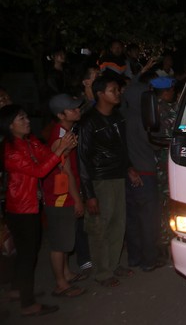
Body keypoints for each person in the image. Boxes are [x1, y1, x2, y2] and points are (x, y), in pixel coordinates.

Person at [0, 104, 76, 316]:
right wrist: (60, 149)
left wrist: (62, 146)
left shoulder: (28, 141)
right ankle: (28, 304)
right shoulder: (11, 151)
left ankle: (18, 290)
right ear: (9, 125)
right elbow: (39, 171)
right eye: (21, 118)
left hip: (29, 205)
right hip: (21, 209)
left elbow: (46, 154)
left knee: (27, 253)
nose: (26, 121)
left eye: (25, 116)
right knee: (27, 255)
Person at [77, 74, 140, 287]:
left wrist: (129, 167)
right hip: (99, 180)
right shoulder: (88, 122)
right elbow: (82, 160)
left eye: (118, 89)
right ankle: (102, 272)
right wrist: (89, 195)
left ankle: (112, 265)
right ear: (100, 94)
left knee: (117, 224)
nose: (118, 93)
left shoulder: (116, 117)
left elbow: (122, 148)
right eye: (114, 90)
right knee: (99, 228)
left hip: (116, 177)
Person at [42, 94, 86, 298]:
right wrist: (77, 199)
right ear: (61, 114)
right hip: (59, 196)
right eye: (72, 108)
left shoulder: (65, 131)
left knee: (66, 237)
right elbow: (65, 171)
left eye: (77, 107)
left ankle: (66, 274)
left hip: (62, 194)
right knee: (60, 243)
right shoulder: (61, 137)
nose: (77, 110)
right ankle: (60, 284)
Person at [121, 71, 164, 272]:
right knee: (149, 220)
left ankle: (135, 258)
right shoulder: (146, 119)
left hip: (128, 173)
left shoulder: (123, 117)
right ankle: (149, 260)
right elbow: (156, 144)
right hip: (146, 173)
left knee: (133, 220)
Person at [150, 76, 177, 253]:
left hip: (159, 160)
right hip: (163, 161)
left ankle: (164, 236)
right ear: (166, 91)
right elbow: (174, 132)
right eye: (172, 90)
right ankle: (165, 237)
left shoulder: (153, 106)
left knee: (163, 200)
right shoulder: (163, 108)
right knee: (166, 200)